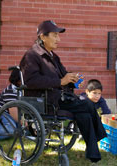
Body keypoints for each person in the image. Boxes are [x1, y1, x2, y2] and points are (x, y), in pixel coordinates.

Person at [19, 20, 106, 164]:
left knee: (84, 113)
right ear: (43, 37)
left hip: (61, 97)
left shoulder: (53, 56)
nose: (58, 39)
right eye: (55, 35)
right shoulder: (31, 56)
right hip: (46, 101)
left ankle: (93, 154)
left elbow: (64, 75)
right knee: (88, 105)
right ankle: (100, 137)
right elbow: (31, 81)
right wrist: (61, 82)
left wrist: (72, 79)